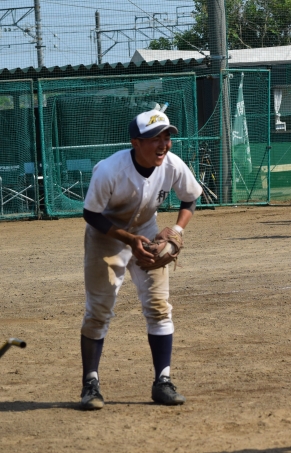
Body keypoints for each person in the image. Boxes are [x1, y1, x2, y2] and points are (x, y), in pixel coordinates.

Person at [79, 109, 203, 410]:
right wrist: (129, 240)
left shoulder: (172, 164)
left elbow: (189, 198)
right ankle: (90, 384)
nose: (163, 144)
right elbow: (91, 214)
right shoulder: (110, 170)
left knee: (159, 306)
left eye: (166, 137)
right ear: (135, 143)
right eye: (155, 138)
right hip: (106, 237)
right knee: (98, 312)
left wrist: (176, 229)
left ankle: (163, 381)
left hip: (147, 235)